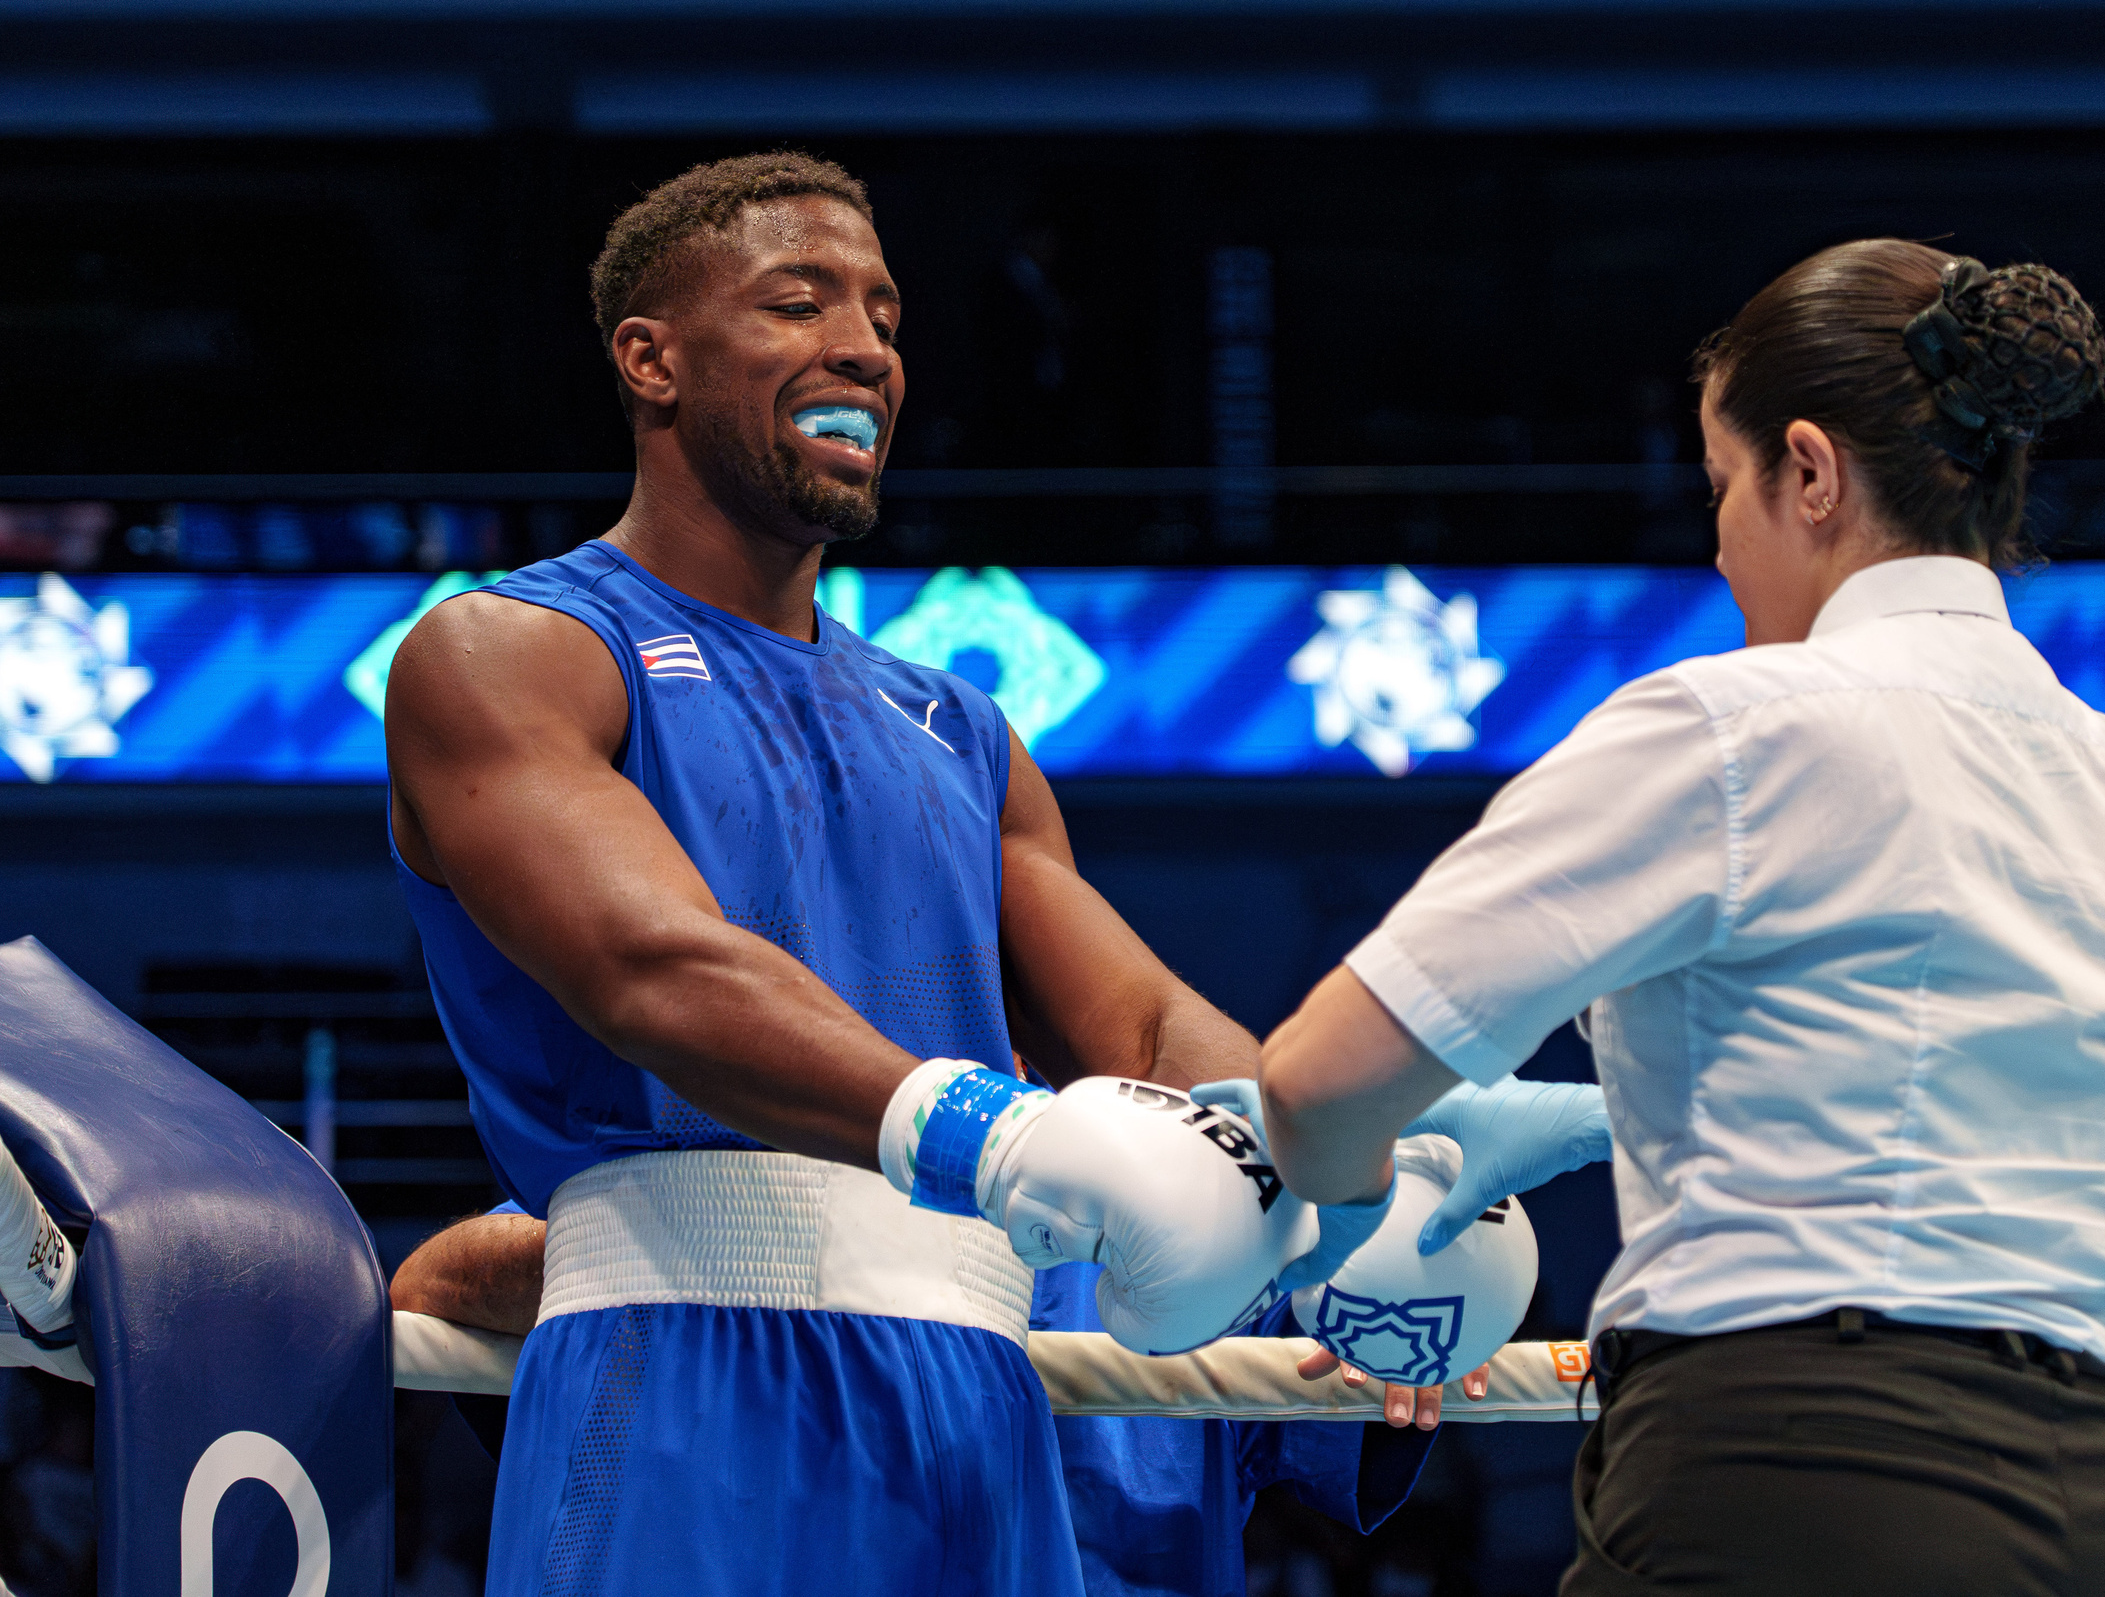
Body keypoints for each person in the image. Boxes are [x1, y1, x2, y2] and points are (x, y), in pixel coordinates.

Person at [386, 150, 1591, 1595]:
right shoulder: (512, 651)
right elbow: (652, 966)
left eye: (885, 314)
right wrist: (997, 1139)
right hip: (689, 1359)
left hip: (980, 1390)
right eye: (799, 302)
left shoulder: (957, 729)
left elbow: (1141, 1024)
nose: (863, 346)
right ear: (652, 357)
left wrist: (1336, 1174)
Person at [1253, 241, 2105, 1595]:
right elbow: (1932, 1079)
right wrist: (1603, 1122)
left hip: (1795, 1480)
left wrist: (1350, 1240)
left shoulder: (1737, 724)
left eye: (1717, 487)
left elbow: (1319, 1080)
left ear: (1807, 471)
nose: (1715, 543)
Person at [390, 1207, 1450, 1597]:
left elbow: (1367, 1351)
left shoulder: (1181, 1254)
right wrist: (670, 1260)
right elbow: (433, 1288)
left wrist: (1409, 1324)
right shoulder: (729, 1192)